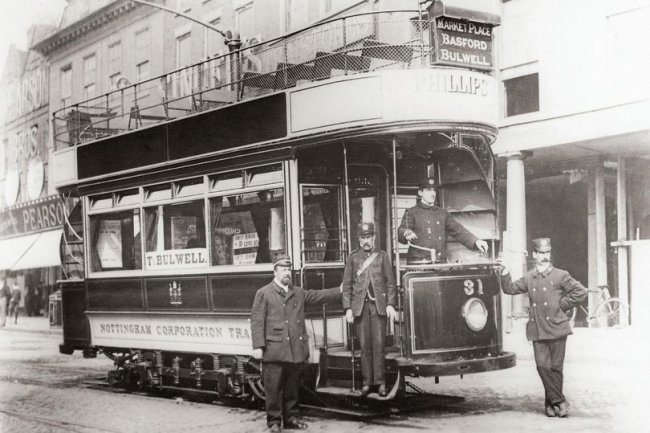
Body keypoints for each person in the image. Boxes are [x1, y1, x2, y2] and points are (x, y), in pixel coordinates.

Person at [251, 253, 341, 432]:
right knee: (274, 389)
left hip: (294, 350)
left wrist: (339, 290)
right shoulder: (264, 293)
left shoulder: (297, 292)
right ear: (275, 271)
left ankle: (291, 419)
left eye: (288, 270)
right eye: (283, 270)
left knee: (292, 389)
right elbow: (257, 321)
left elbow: (318, 296)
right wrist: (258, 347)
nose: (287, 273)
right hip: (274, 349)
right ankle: (274, 422)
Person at [498, 237, 587, 418]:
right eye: (541, 253)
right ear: (534, 254)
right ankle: (560, 400)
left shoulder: (560, 275)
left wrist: (562, 305)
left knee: (556, 368)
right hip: (538, 329)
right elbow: (510, 288)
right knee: (542, 366)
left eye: (547, 253)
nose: (545, 257)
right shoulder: (530, 277)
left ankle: (550, 405)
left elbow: (581, 292)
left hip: (557, 328)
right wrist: (505, 271)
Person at [342, 222, 398, 397]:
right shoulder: (353, 258)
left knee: (379, 345)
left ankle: (380, 383)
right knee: (365, 346)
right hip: (360, 308)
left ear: (374, 238)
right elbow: (347, 286)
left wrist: (390, 304)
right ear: (359, 239)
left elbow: (390, 283)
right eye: (363, 237)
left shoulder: (382, 256)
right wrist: (348, 309)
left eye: (369, 237)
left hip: (378, 307)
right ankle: (367, 383)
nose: (366, 241)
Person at [398, 177, 489, 264]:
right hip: (419, 264)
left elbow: (457, 229)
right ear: (420, 193)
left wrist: (476, 241)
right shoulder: (412, 212)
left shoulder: (442, 212)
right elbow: (403, 229)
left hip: (439, 262)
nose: (432, 193)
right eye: (428, 190)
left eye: (434, 190)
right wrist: (407, 233)